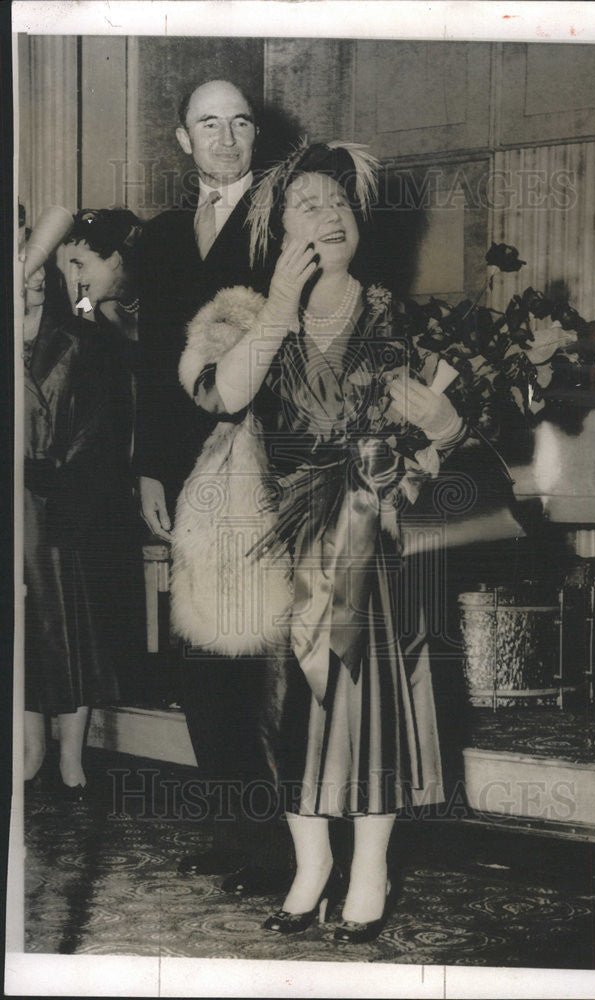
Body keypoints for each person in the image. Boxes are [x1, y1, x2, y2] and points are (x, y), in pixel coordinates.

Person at [174, 142, 467, 942]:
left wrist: (446, 426)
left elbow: (460, 435)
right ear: (275, 232)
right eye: (306, 204)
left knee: (376, 708)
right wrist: (276, 304)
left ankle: (368, 869)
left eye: (339, 202)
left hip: (379, 541)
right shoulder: (254, 318)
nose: (328, 214)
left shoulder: (398, 319)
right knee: (289, 715)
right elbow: (225, 395)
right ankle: (312, 866)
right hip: (281, 545)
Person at [135, 79, 288, 890]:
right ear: (183, 140)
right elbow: (151, 367)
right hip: (186, 478)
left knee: (255, 658)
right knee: (200, 658)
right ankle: (231, 830)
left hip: (260, 465)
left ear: (254, 135)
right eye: (208, 124)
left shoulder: (285, 218)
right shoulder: (160, 238)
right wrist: (150, 467)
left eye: (239, 123)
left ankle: (277, 846)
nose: (225, 137)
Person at [23, 208, 141, 798]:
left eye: (54, 270)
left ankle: (71, 758)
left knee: (69, 627)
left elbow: (101, 427)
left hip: (62, 506)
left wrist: (59, 475)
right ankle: (28, 750)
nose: (44, 280)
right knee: (21, 632)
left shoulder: (85, 337)